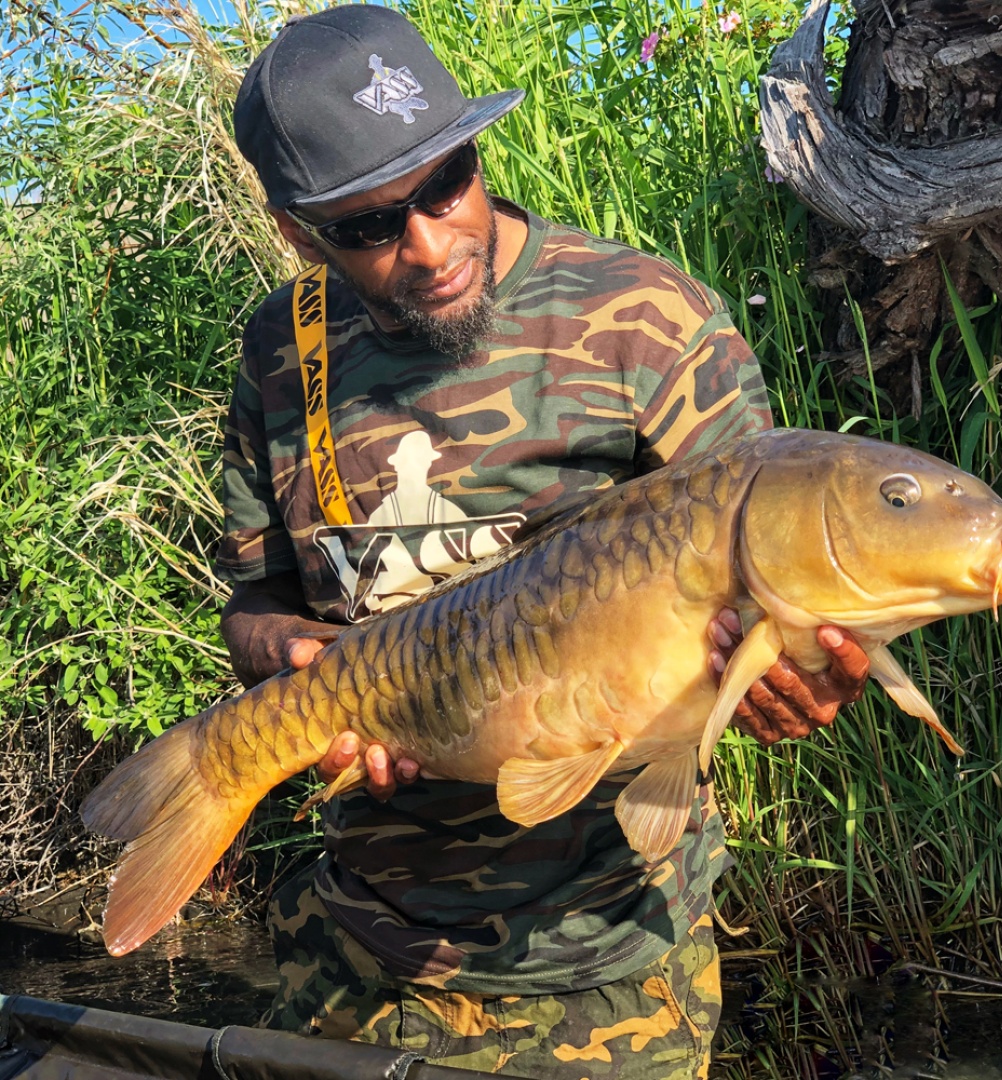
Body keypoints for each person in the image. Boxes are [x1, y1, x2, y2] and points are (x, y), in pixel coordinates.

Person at [215, 6, 869, 1077]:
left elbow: (777, 585)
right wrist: (296, 664)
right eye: (371, 227)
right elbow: (252, 604)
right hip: (354, 952)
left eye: (445, 182)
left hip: (604, 969)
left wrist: (792, 679)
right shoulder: (280, 353)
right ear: (298, 231)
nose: (431, 245)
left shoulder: (645, 322)